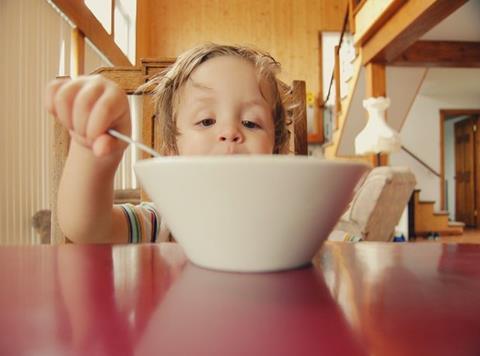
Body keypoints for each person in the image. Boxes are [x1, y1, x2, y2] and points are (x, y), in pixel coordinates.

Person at [45, 43, 293, 244]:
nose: (230, 132)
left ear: (277, 149)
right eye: (207, 121)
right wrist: (92, 150)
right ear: (172, 150)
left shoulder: (292, 222)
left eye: (251, 123)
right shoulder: (161, 222)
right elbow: (86, 228)